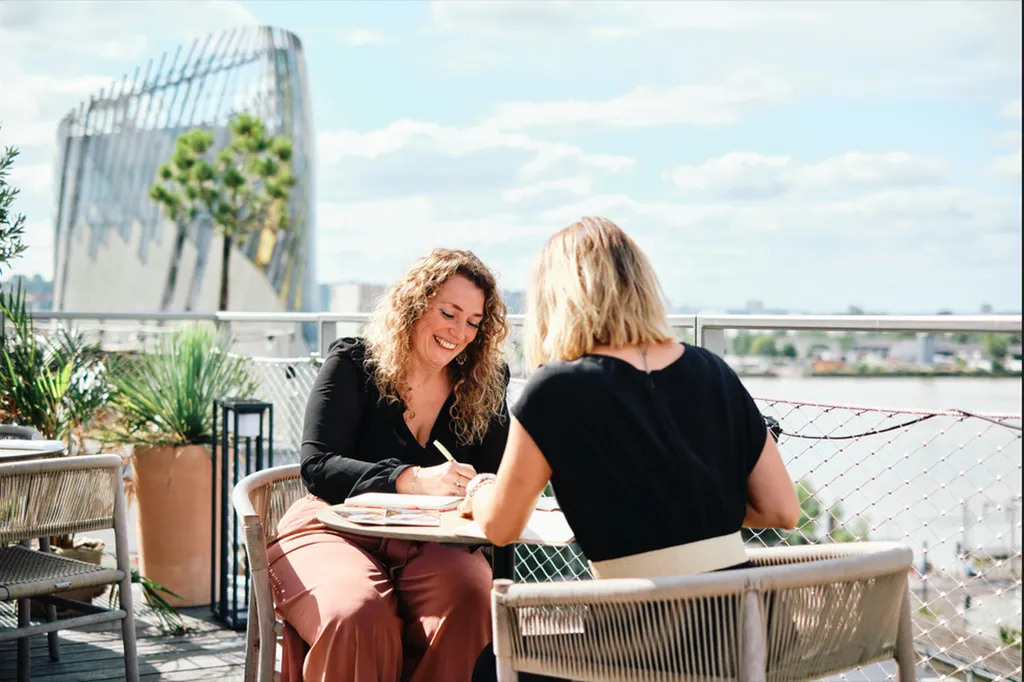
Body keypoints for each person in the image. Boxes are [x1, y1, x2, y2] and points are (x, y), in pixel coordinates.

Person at [461, 217, 801, 681]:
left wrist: (480, 490)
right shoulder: (712, 369)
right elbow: (781, 510)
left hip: (650, 639)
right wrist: (685, 506)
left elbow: (501, 527)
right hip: (752, 633)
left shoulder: (555, 390)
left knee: (493, 665)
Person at [268, 248, 512, 682]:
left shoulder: (484, 385)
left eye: (474, 322)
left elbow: (497, 479)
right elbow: (318, 465)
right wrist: (411, 479)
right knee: (356, 612)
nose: (460, 332)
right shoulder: (353, 363)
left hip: (431, 543)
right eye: (449, 313)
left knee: (472, 594)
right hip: (333, 527)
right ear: (416, 303)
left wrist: (482, 490)